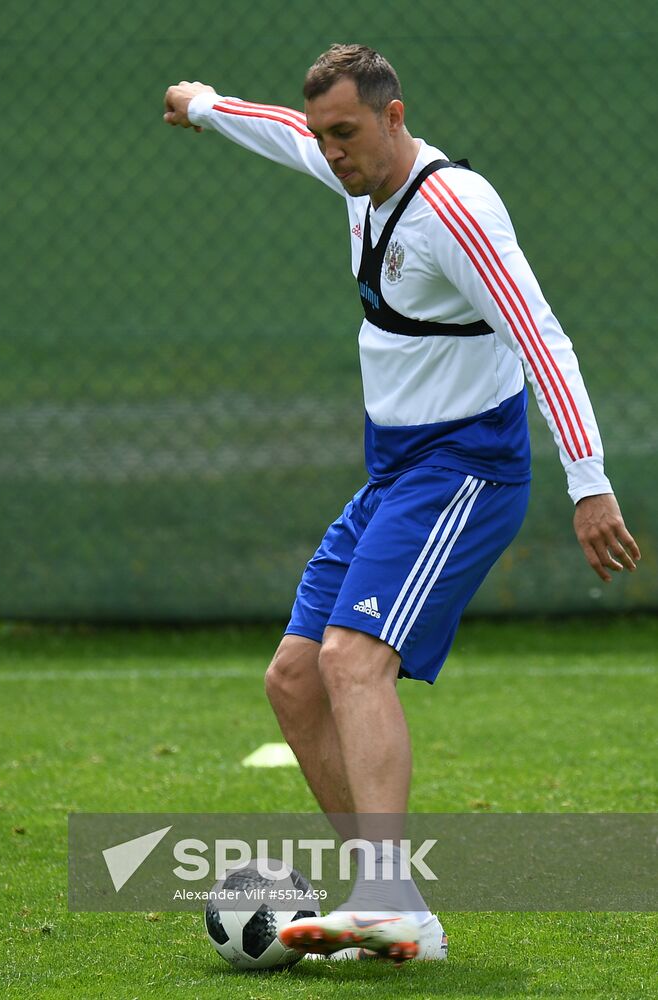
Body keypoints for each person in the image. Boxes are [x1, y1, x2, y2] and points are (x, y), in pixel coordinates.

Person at [164, 44, 640, 963]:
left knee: (351, 659)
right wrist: (207, 103)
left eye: (346, 132)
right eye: (325, 135)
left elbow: (543, 340)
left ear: (393, 116)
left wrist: (589, 484)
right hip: (395, 474)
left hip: (467, 470)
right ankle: (395, 905)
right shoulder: (352, 170)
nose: (331, 150)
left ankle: (381, 897)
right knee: (295, 681)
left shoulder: (455, 210)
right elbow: (284, 136)